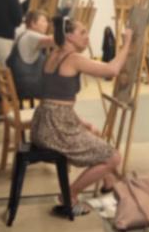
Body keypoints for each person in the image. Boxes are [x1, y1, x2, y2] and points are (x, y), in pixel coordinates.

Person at [30, 15, 132, 216]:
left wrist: (81, 122)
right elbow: (111, 70)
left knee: (93, 131)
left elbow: (55, 100)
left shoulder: (53, 54)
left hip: (44, 123)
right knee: (114, 158)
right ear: (68, 35)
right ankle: (69, 196)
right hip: (56, 128)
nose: (87, 37)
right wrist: (127, 42)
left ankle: (108, 181)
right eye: (82, 33)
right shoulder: (74, 59)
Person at [6, 9, 53, 101]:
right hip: (25, 86)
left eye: (47, 21)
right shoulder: (31, 36)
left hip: (20, 83)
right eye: (43, 21)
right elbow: (53, 41)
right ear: (33, 23)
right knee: (61, 88)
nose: (47, 24)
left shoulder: (23, 34)